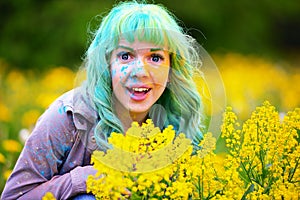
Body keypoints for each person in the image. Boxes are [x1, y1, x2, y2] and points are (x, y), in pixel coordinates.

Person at [1, 1, 205, 199]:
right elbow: (14, 196)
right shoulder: (69, 117)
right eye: (125, 56)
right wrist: (85, 179)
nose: (140, 71)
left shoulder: (178, 125)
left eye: (155, 58)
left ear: (171, 69)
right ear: (106, 64)